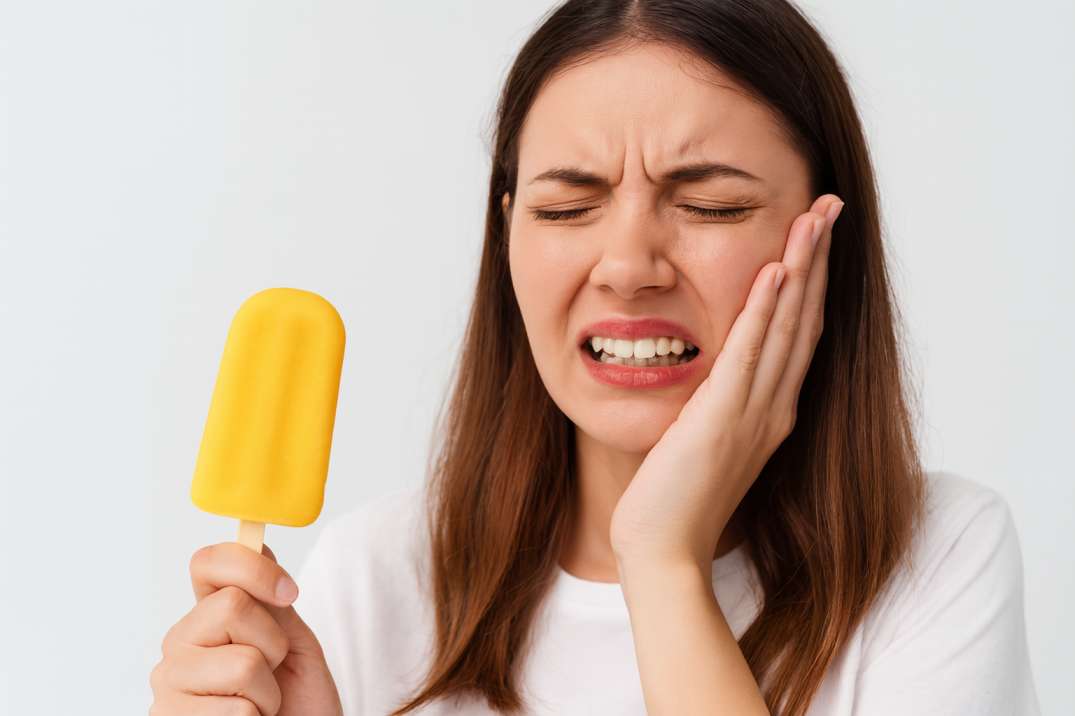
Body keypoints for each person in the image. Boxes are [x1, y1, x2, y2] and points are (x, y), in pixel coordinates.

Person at [149, 1, 1041, 714]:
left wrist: (662, 560)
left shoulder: (938, 561)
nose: (625, 267)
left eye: (711, 206)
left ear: (824, 239)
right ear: (506, 236)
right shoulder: (371, 578)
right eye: (567, 208)